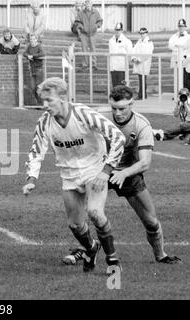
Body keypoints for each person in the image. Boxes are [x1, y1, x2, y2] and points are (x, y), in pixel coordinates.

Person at [63, 85, 181, 265]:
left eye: (122, 109)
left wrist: (124, 173)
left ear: (132, 104)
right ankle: (86, 249)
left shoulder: (141, 125)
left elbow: (145, 162)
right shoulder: (99, 116)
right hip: (99, 170)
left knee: (151, 221)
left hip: (129, 173)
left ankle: (161, 255)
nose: (117, 113)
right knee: (88, 214)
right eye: (114, 109)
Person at [23, 77, 126, 273]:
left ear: (63, 98)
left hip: (94, 169)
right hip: (69, 175)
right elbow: (36, 151)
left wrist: (106, 171)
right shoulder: (44, 122)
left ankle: (113, 260)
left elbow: (118, 137)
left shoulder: (83, 114)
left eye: (49, 100)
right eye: (43, 101)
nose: (45, 105)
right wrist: (31, 179)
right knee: (75, 225)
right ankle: (91, 248)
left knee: (95, 212)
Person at [74, 0, 102, 71]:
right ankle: (85, 65)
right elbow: (77, 22)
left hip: (93, 34)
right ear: (85, 4)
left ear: (91, 4)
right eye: (86, 3)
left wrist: (97, 26)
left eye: (89, 3)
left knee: (93, 49)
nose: (88, 5)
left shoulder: (96, 12)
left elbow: (100, 21)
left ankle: (93, 65)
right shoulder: (81, 13)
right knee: (84, 49)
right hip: (84, 34)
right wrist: (81, 27)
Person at [131, 27, 154, 100]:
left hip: (144, 63)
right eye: (141, 33)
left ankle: (142, 94)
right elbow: (134, 50)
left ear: (146, 33)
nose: (142, 35)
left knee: (143, 79)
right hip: (138, 63)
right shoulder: (139, 41)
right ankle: (142, 94)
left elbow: (148, 54)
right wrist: (134, 58)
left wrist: (139, 60)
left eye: (143, 33)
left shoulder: (149, 42)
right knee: (140, 79)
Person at [168, 19, 190, 91]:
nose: (181, 28)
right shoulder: (174, 36)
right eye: (180, 26)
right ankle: (177, 94)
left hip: (184, 60)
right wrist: (180, 47)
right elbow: (170, 46)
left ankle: (186, 94)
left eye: (182, 26)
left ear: (185, 27)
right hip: (175, 60)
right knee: (177, 78)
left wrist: (177, 46)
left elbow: (186, 46)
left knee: (185, 79)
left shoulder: (188, 37)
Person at [109, 22, 132, 88]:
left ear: (122, 30)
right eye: (116, 30)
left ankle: (122, 98)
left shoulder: (127, 41)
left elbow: (130, 54)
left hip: (122, 68)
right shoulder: (111, 41)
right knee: (115, 86)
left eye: (119, 30)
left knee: (122, 87)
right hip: (113, 67)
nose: (117, 31)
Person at [23, 34, 45, 103]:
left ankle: (41, 101)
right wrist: (28, 56)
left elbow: (42, 54)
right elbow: (24, 53)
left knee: (38, 86)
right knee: (32, 87)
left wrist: (32, 56)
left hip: (39, 69)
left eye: (33, 39)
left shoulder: (39, 46)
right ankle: (38, 101)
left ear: (36, 39)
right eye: (31, 39)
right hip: (32, 69)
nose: (32, 40)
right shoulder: (29, 46)